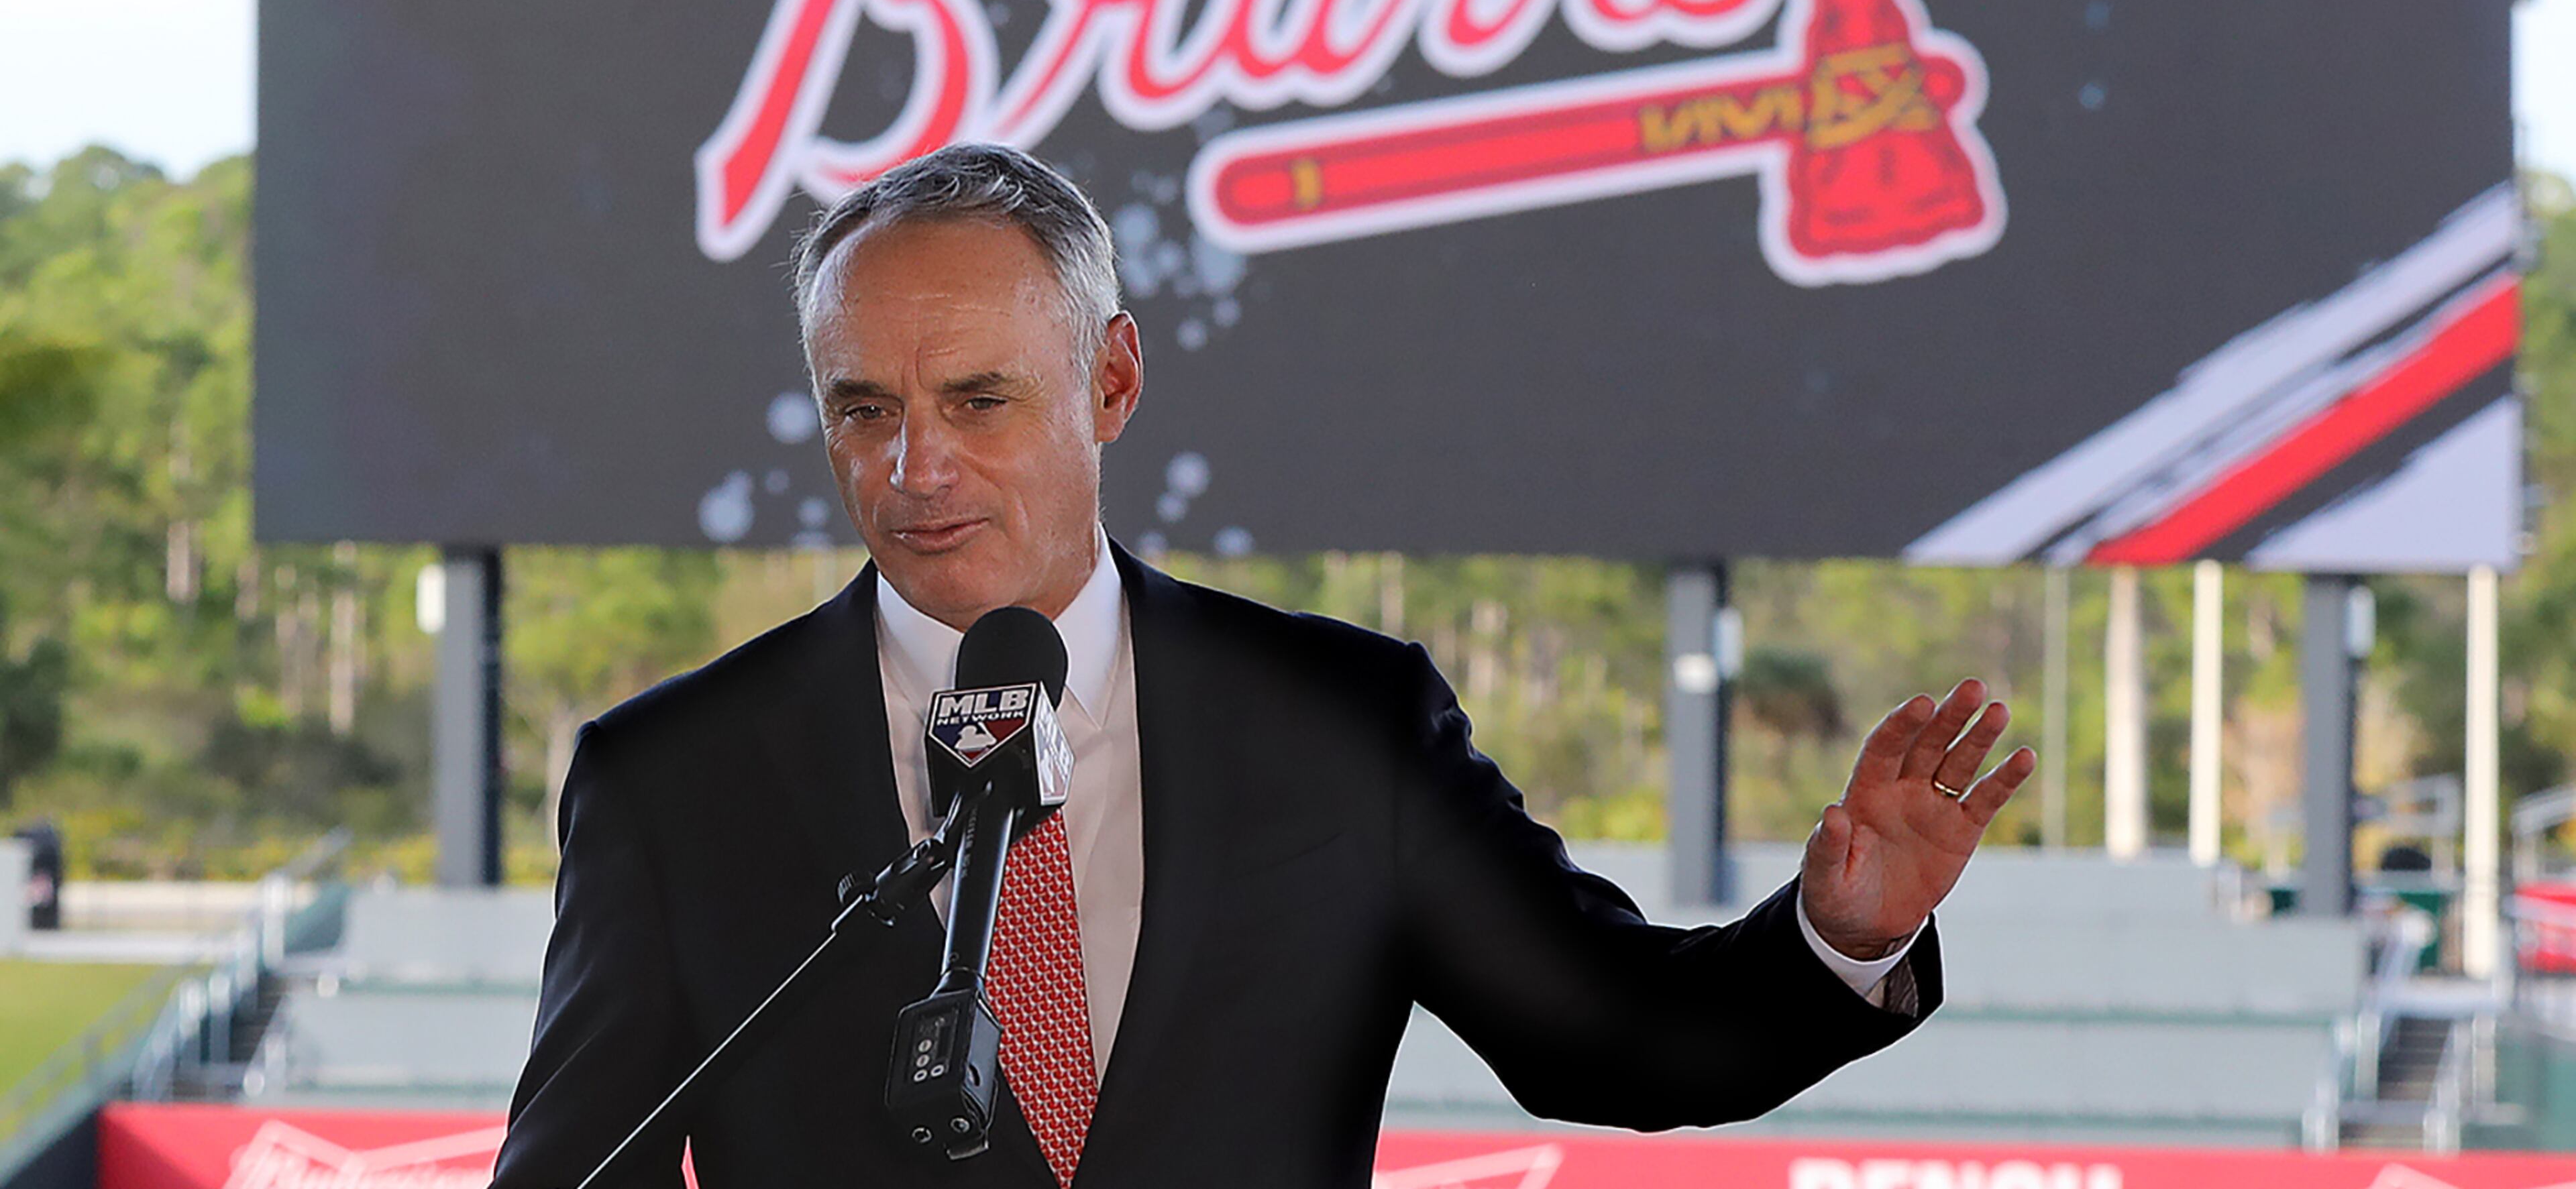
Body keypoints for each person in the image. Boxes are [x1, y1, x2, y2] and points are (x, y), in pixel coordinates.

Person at [490, 143, 2035, 1189]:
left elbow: (1613, 1035)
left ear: (1110, 380)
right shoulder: (670, 782)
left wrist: (1835, 934)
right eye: (860, 410)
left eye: (976, 399)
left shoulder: (1339, 726)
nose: (914, 468)